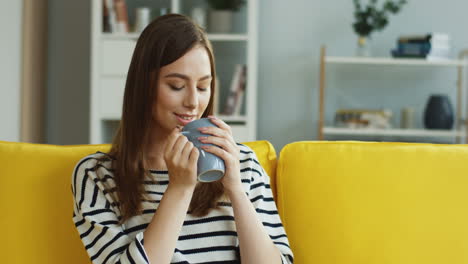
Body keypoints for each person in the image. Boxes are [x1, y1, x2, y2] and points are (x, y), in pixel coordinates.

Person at [72, 14, 293, 264]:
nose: (193, 102)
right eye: (177, 86)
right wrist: (179, 188)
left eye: (202, 87)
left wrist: (236, 190)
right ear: (143, 86)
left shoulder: (244, 164)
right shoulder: (97, 176)